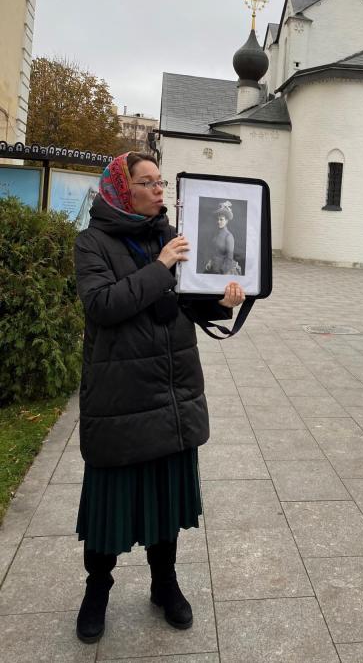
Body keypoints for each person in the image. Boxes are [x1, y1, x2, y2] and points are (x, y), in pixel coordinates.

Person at [73, 151, 244, 643]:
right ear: (122, 190)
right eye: (147, 183)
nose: (159, 190)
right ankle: (96, 591)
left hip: (171, 392)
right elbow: (103, 305)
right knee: (110, 508)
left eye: (160, 181)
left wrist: (223, 298)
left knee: (166, 502)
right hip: (121, 398)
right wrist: (163, 266)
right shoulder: (92, 243)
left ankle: (164, 583)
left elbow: (187, 302)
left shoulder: (172, 237)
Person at [204, 201, 241, 275]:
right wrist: (210, 262)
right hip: (214, 268)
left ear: (227, 221)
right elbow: (215, 252)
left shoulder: (229, 236)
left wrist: (222, 272)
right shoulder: (216, 234)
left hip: (224, 270)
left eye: (221, 219)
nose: (218, 221)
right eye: (218, 219)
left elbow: (229, 258)